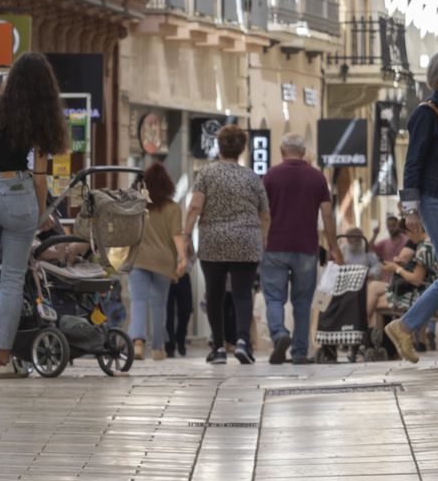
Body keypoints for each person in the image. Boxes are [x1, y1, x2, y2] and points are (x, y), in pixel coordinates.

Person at [0, 52, 66, 377]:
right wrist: (41, 211)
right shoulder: (37, 117)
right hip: (19, 193)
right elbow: (40, 175)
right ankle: (3, 361)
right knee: (13, 280)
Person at [386, 50, 438, 363]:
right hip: (434, 199)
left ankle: (405, 327)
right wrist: (410, 209)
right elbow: (412, 162)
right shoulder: (426, 113)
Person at [183, 124, 270, 364]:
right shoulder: (252, 177)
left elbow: (195, 207)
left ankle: (219, 347)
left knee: (215, 293)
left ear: (219, 146)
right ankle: (243, 342)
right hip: (246, 240)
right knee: (242, 293)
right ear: (242, 149)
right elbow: (265, 214)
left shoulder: (207, 174)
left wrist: (187, 235)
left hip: (214, 240)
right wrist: (263, 240)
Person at [260, 133, 339, 366]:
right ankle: (300, 353)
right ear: (304, 153)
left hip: (274, 246)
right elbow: (326, 214)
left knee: (274, 297)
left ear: (283, 151)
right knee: (303, 302)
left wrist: (263, 239)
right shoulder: (317, 177)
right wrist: (334, 247)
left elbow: (263, 213)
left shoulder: (271, 176)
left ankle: (279, 334)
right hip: (306, 247)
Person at [127, 161, 188, 362]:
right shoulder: (173, 208)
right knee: (159, 305)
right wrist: (182, 257)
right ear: (167, 185)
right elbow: (176, 236)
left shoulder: (137, 205)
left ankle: (137, 343)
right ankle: (157, 349)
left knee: (138, 302)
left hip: (138, 259)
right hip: (163, 262)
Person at [370, 211, 436, 326]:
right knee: (375, 292)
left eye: (407, 233)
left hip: (422, 295)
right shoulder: (430, 243)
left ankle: (373, 337)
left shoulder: (424, 248)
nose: (408, 238)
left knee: (376, 302)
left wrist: (396, 268)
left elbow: (416, 279)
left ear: (414, 229)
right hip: (427, 291)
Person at [166, 272, 193, 357]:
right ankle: (169, 345)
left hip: (183, 273)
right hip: (165, 275)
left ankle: (181, 339)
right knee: (167, 313)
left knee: (186, 310)